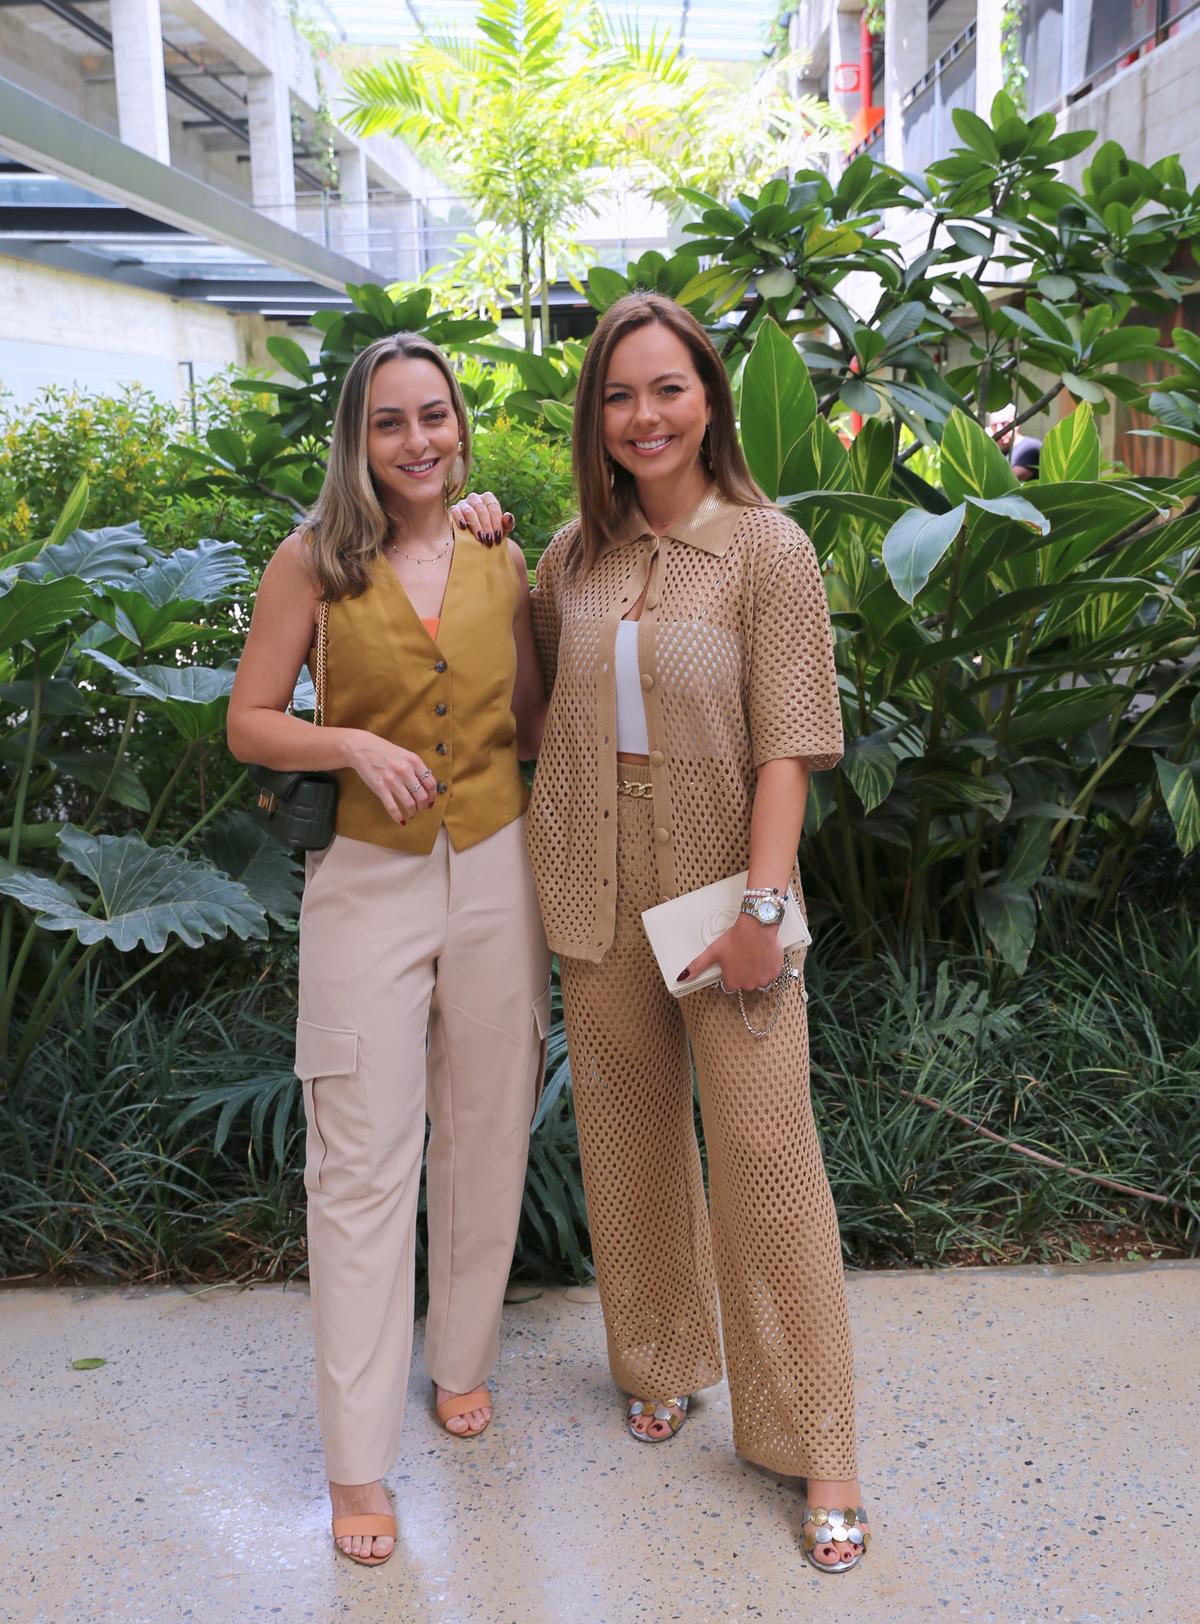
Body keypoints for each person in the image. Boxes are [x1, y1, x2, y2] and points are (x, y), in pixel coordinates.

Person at [455, 293, 871, 1573]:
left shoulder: (766, 549)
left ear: (709, 400)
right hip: (588, 868)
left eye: (668, 389)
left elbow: (793, 741)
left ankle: (823, 1444)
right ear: (599, 416)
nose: (645, 416)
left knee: (765, 1157)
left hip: (721, 882)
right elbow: (531, 713)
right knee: (629, 1140)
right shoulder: (572, 558)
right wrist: (485, 548)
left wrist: (761, 907)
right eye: (621, 395)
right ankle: (659, 1358)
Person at [227, 332, 551, 1568]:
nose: (419, 442)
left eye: (437, 418)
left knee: (487, 1125)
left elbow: (526, 719)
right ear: (357, 439)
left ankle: (459, 1358)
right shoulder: (311, 561)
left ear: (460, 426)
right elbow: (250, 721)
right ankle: (357, 1464)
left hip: (497, 866)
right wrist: (350, 743)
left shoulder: (494, 549)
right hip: (364, 878)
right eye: (391, 423)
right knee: (361, 1163)